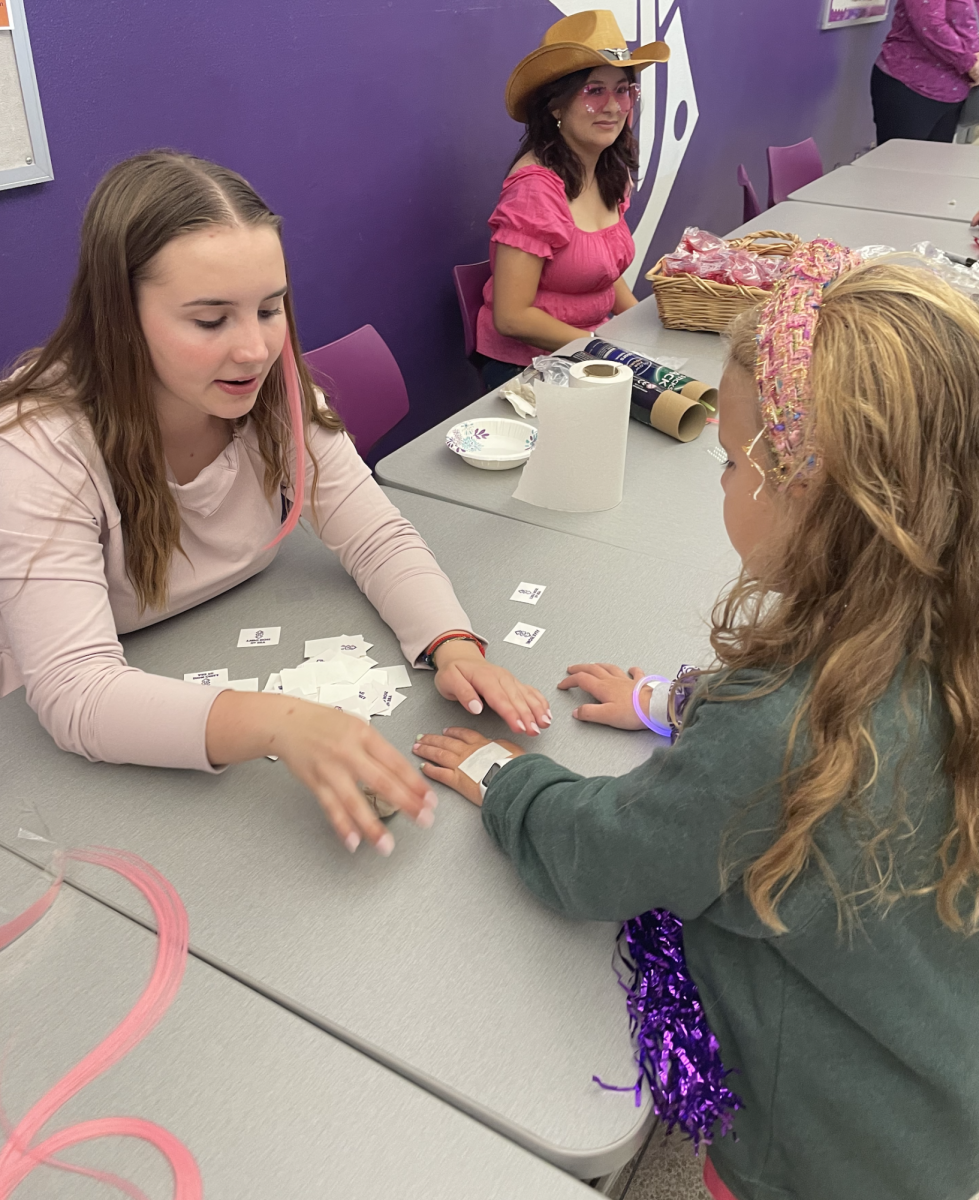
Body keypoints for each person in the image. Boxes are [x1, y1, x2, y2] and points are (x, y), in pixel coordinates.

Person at [414, 244, 979, 1199]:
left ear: (805, 489)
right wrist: (665, 703)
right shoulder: (940, 628)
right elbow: (838, 706)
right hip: (939, 1113)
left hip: (817, 1157)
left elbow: (600, 856)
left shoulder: (775, 733)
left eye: (727, 463)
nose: (719, 484)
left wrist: (507, 780)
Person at [0, 150, 550, 858]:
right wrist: (279, 721)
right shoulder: (36, 446)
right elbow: (77, 692)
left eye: (270, 307)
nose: (257, 349)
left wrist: (449, 639)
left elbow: (374, 535)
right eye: (209, 320)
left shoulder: (277, 393)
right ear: (119, 315)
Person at [475, 10, 668, 394]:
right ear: (556, 105)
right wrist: (609, 352)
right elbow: (512, 318)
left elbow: (605, 274)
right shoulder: (535, 190)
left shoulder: (608, 171)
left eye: (623, 89)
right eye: (594, 90)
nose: (613, 107)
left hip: (592, 353)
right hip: (529, 370)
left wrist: (651, 330)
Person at [871, 0, 979, 144]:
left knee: (934, 163)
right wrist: (970, 64)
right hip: (913, 84)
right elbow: (929, 23)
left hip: (954, 89)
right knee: (899, 163)